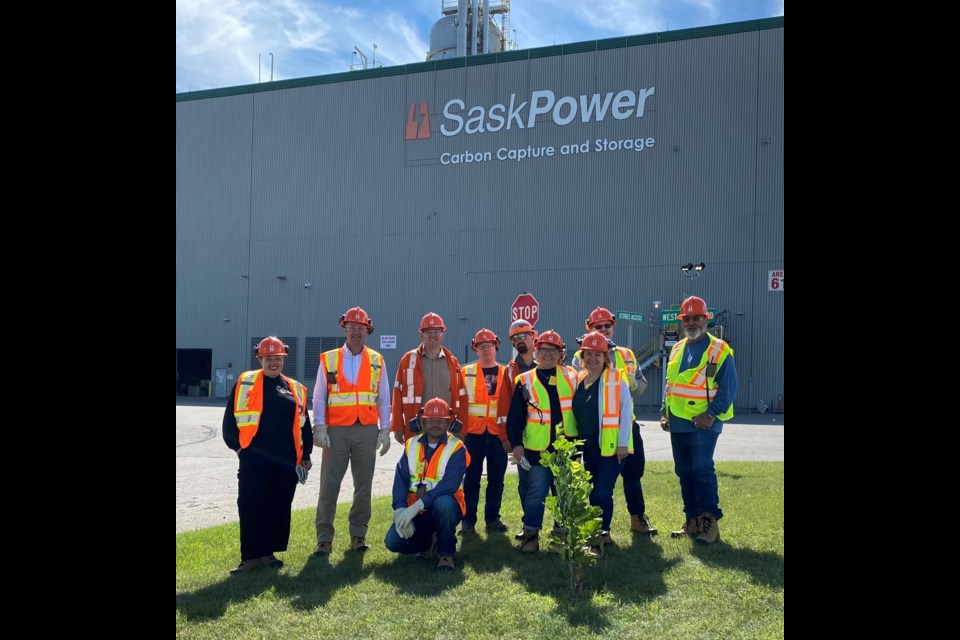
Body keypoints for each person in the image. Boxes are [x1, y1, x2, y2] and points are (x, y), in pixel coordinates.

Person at [222, 336, 312, 574]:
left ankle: (268, 553)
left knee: (278, 505)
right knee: (251, 504)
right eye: (269, 358)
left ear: (284, 359)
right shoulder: (245, 382)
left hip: (286, 460)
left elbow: (304, 424)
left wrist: (306, 455)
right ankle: (250, 557)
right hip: (254, 458)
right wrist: (239, 448)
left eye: (278, 359)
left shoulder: (295, 388)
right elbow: (230, 421)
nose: (274, 363)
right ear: (259, 358)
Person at [312, 307, 392, 555]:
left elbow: (384, 397)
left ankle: (358, 534)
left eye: (361, 327)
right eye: (352, 327)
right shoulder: (330, 359)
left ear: (368, 330)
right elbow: (319, 396)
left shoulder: (377, 360)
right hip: (336, 431)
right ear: (344, 328)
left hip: (366, 430)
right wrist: (319, 426)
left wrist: (385, 429)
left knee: (363, 486)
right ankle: (324, 538)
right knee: (329, 486)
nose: (356, 331)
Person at [572, 307, 658, 535]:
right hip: (595, 431)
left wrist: (632, 383)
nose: (603, 330)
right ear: (589, 328)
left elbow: (642, 386)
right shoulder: (580, 356)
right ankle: (599, 529)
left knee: (633, 474)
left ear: (613, 326)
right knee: (599, 484)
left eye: (606, 326)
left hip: (626, 426)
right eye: (597, 327)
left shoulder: (627, 355)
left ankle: (637, 517)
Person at [660, 296, 737, 545]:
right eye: (688, 318)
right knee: (684, 471)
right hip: (678, 421)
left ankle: (709, 521)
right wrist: (665, 411)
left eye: (697, 318)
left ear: (706, 320)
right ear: (682, 322)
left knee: (702, 469)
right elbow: (671, 383)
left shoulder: (720, 349)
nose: (692, 322)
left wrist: (711, 414)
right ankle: (692, 520)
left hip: (704, 422)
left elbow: (728, 388)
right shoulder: (677, 348)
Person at [505, 330, 578, 553]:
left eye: (552, 350)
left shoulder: (573, 376)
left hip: (567, 447)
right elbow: (515, 417)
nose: (547, 355)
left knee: (563, 492)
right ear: (536, 353)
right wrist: (516, 444)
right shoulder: (523, 380)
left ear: (561, 354)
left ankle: (561, 534)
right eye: (543, 350)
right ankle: (531, 535)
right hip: (537, 449)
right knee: (536, 492)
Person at [385, 397, 470, 571]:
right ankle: (427, 543)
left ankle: (446, 553)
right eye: (431, 420)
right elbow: (401, 479)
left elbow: (449, 486)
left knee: (444, 504)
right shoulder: (411, 444)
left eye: (441, 421)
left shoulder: (457, 447)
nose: (436, 425)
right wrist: (400, 509)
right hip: (416, 509)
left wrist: (417, 506)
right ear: (422, 422)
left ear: (449, 424)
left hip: (444, 508)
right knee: (392, 542)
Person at [570, 331, 632, 557]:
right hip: (588, 446)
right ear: (582, 355)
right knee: (594, 490)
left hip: (612, 447)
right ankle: (602, 533)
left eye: (598, 354)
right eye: (588, 354)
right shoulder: (578, 379)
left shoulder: (616, 378)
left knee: (602, 492)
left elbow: (626, 411)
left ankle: (598, 537)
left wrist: (623, 444)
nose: (592, 359)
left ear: (606, 357)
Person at [459, 329, 510, 534]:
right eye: (482, 346)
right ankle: (468, 521)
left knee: (497, 478)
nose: (486, 349)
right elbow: (460, 404)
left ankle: (492, 519)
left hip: (499, 435)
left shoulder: (508, 373)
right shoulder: (466, 372)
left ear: (496, 347)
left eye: (489, 345)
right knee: (471, 478)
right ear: (475, 349)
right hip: (473, 434)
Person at [390, 312, 468, 444]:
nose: (433, 335)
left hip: (446, 427)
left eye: (437, 331)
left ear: (442, 334)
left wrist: (462, 429)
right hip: (418, 426)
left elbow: (462, 397)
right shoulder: (408, 360)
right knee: (416, 462)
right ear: (422, 335)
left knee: (443, 462)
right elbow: (397, 393)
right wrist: (397, 426)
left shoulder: (452, 362)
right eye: (428, 331)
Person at [497, 319, 540, 540]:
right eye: (515, 338)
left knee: (556, 484)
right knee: (526, 484)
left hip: (553, 435)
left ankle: (561, 529)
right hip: (524, 438)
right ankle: (529, 525)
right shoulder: (510, 371)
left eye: (523, 336)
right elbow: (504, 406)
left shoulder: (549, 360)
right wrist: (509, 439)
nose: (520, 341)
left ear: (534, 336)